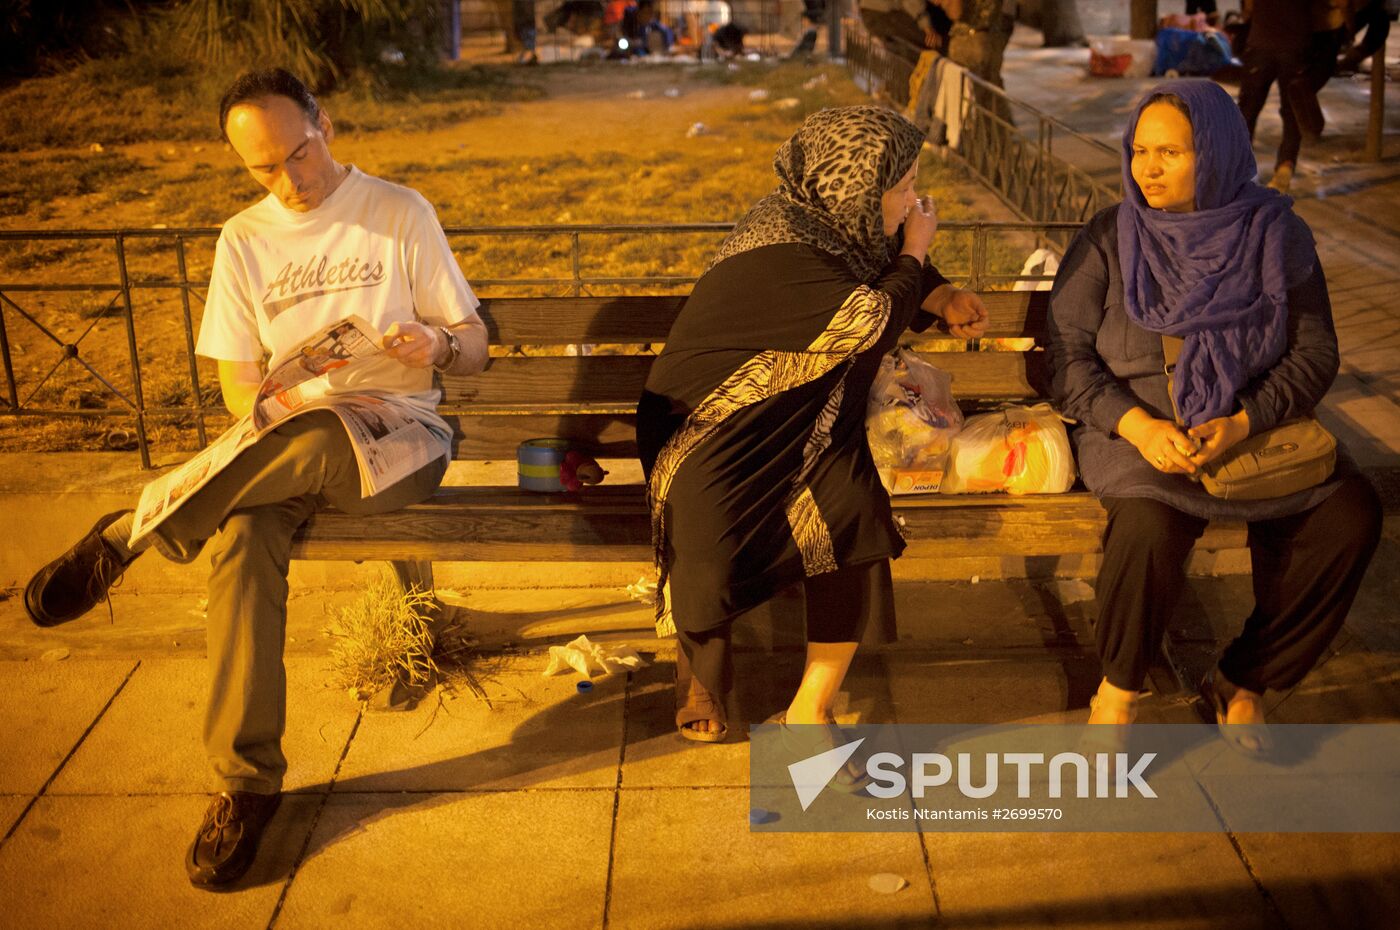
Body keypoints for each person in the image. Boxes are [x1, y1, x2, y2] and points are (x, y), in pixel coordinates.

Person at [22, 68, 488, 888]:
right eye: (263, 169)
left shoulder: (397, 212)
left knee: (310, 441)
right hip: (279, 451)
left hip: (400, 438)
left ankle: (130, 533)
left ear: (327, 127)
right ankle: (246, 784)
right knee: (239, 542)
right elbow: (239, 387)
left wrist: (435, 346)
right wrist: (282, 394)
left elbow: (473, 341)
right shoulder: (243, 239)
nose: (289, 181)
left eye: (298, 155)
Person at [1047, 80, 1381, 754]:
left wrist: (1242, 421)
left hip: (1248, 436)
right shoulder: (1112, 237)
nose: (1148, 167)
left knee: (1349, 515)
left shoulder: (1275, 234)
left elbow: (1315, 352)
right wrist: (1137, 426)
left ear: (1218, 152)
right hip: (1138, 435)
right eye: (1140, 150)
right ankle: (1116, 697)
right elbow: (1061, 357)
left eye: (1170, 151)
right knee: (1148, 525)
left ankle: (1243, 679)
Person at [637, 106, 989, 747]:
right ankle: (703, 678)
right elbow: (864, 317)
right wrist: (916, 250)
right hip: (711, 425)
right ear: (857, 192)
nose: (913, 203)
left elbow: (871, 265)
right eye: (902, 188)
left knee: (850, 511)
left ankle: (812, 705)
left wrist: (935, 294)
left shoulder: (834, 223)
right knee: (706, 539)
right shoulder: (784, 244)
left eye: (913, 185)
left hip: (805, 420)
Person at [1236, 0, 1324, 192]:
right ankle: (1285, 166)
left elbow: (1248, 7)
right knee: (1292, 111)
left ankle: (1238, 172)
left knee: (1246, 113)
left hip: (1261, 43)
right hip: (1297, 45)